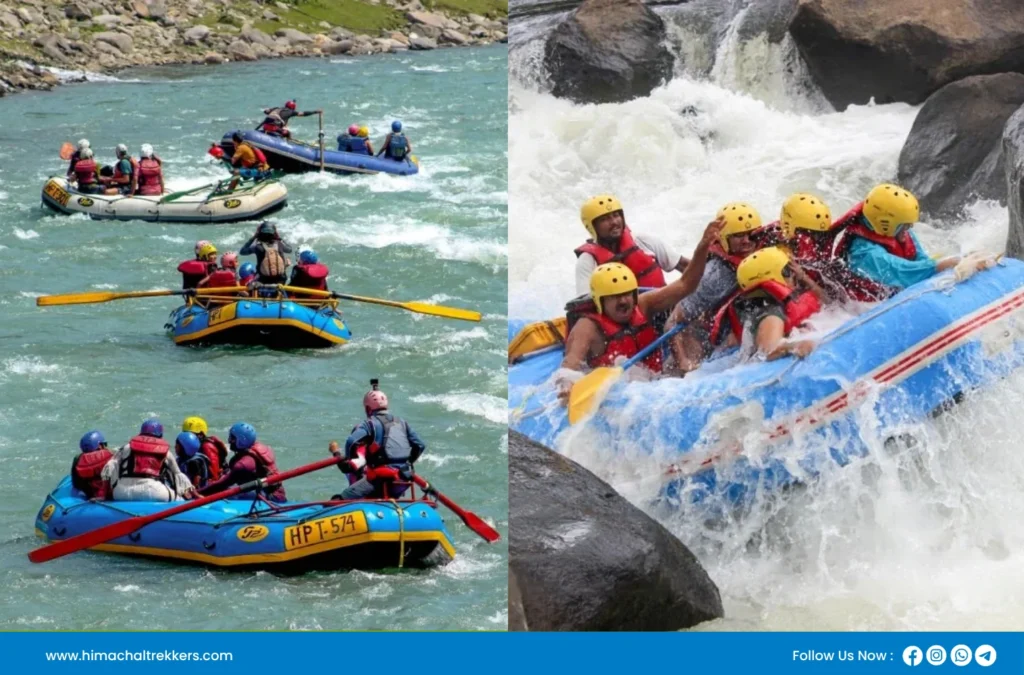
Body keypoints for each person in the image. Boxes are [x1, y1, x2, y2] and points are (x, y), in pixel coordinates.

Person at [558, 216, 725, 385]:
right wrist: (566, 385)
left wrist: (703, 245)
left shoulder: (643, 305)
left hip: (655, 379)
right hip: (619, 390)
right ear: (600, 301)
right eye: (615, 297)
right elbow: (568, 367)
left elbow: (685, 284)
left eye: (627, 294)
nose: (624, 301)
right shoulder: (588, 327)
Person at [665, 202, 768, 373]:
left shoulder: (766, 253)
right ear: (724, 240)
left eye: (751, 234)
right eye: (738, 236)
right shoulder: (715, 276)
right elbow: (673, 322)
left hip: (737, 330)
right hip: (701, 339)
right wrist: (684, 362)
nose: (747, 241)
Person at [834, 184, 960, 298]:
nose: (909, 228)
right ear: (885, 223)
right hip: (862, 304)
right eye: (906, 225)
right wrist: (936, 266)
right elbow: (899, 270)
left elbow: (921, 258)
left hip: (895, 284)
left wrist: (944, 264)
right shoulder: (863, 252)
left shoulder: (897, 231)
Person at [712, 246, 825, 361]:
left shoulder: (753, 303)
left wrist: (804, 277)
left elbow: (827, 302)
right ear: (774, 276)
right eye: (787, 271)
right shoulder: (770, 311)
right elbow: (768, 351)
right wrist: (796, 346)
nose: (793, 275)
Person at [328, 380, 425, 500]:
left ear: (368, 409)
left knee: (338, 499)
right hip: (403, 480)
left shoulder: (369, 425)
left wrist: (339, 453)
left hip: (379, 480)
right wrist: (408, 462)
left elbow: (351, 443)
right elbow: (420, 445)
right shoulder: (402, 423)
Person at [574, 195, 688, 296]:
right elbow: (585, 303)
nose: (614, 222)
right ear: (592, 227)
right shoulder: (587, 261)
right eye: (605, 219)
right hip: (621, 318)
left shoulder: (643, 241)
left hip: (662, 309)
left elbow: (686, 266)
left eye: (616, 215)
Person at [101, 419, 195, 502]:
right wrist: (191, 494)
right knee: (179, 500)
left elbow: (109, 467)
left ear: (141, 433)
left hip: (122, 493)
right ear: (160, 435)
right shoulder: (166, 452)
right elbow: (178, 476)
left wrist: (104, 495)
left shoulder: (126, 447)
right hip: (153, 491)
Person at [198, 422, 286, 502]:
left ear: (242, 440)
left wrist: (198, 493)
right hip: (279, 495)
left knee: (227, 494)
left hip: (269, 499)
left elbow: (222, 484)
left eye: (232, 438)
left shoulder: (244, 464)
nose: (229, 441)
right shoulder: (260, 449)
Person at [70, 430, 113, 500]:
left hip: (89, 496)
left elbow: (76, 484)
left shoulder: (77, 459)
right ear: (100, 446)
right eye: (104, 444)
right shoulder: (111, 456)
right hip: (109, 496)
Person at [181, 416, 227, 480]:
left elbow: (214, 475)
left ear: (201, 434)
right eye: (185, 434)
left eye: (191, 434)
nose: (188, 437)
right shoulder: (195, 446)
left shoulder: (207, 447)